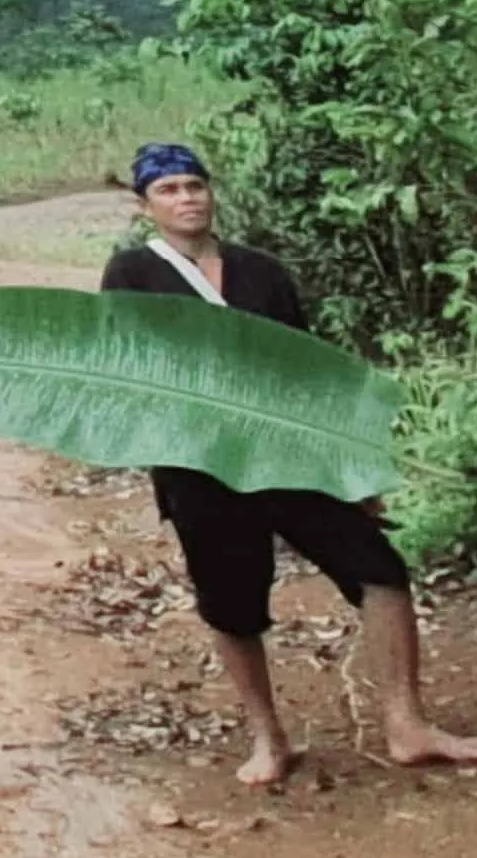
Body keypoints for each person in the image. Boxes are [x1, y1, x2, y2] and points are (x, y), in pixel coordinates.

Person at [100, 141, 477, 787]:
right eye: (168, 190)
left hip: (289, 454)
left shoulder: (259, 271)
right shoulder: (133, 273)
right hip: (201, 467)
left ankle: (405, 723)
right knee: (231, 605)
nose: (186, 198)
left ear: (211, 193)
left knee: (380, 571)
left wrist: (350, 468)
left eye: (194, 185)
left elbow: (310, 372)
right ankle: (268, 739)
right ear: (145, 206)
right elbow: (126, 364)